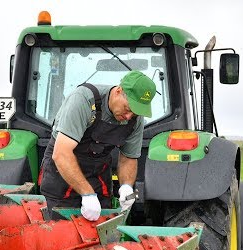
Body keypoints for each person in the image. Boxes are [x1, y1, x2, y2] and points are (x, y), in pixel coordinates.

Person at [40, 70, 156, 221]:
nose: (129, 116)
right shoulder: (84, 100)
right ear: (119, 91)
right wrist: (87, 195)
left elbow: (128, 158)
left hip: (98, 174)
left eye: (134, 113)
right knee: (60, 229)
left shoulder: (135, 119)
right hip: (62, 173)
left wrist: (127, 187)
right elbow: (61, 153)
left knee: (103, 231)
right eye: (128, 109)